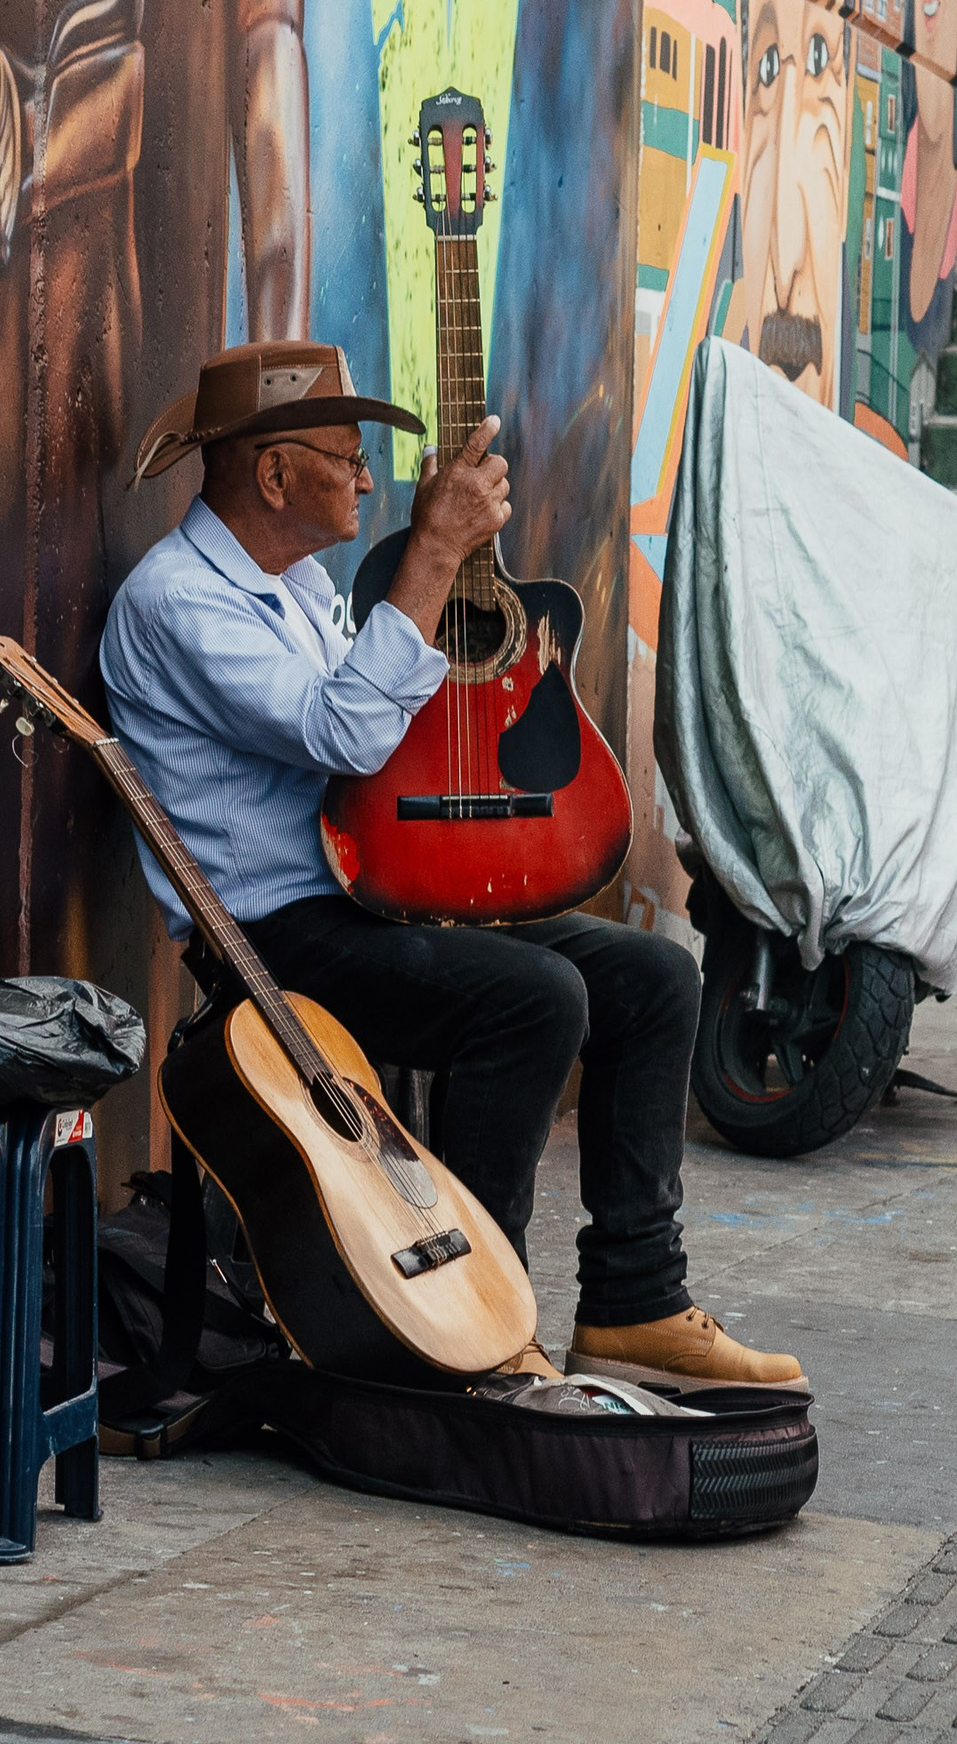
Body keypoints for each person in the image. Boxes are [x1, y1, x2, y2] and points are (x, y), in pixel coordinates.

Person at [99, 340, 806, 1392]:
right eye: (344, 459)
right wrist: (429, 554)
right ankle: (471, 1322)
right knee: (531, 999)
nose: (366, 481)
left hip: (370, 890)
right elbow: (343, 735)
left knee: (654, 978)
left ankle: (634, 1303)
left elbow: (378, 738)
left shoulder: (290, 586)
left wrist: (451, 581)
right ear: (274, 474)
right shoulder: (177, 601)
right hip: (273, 936)